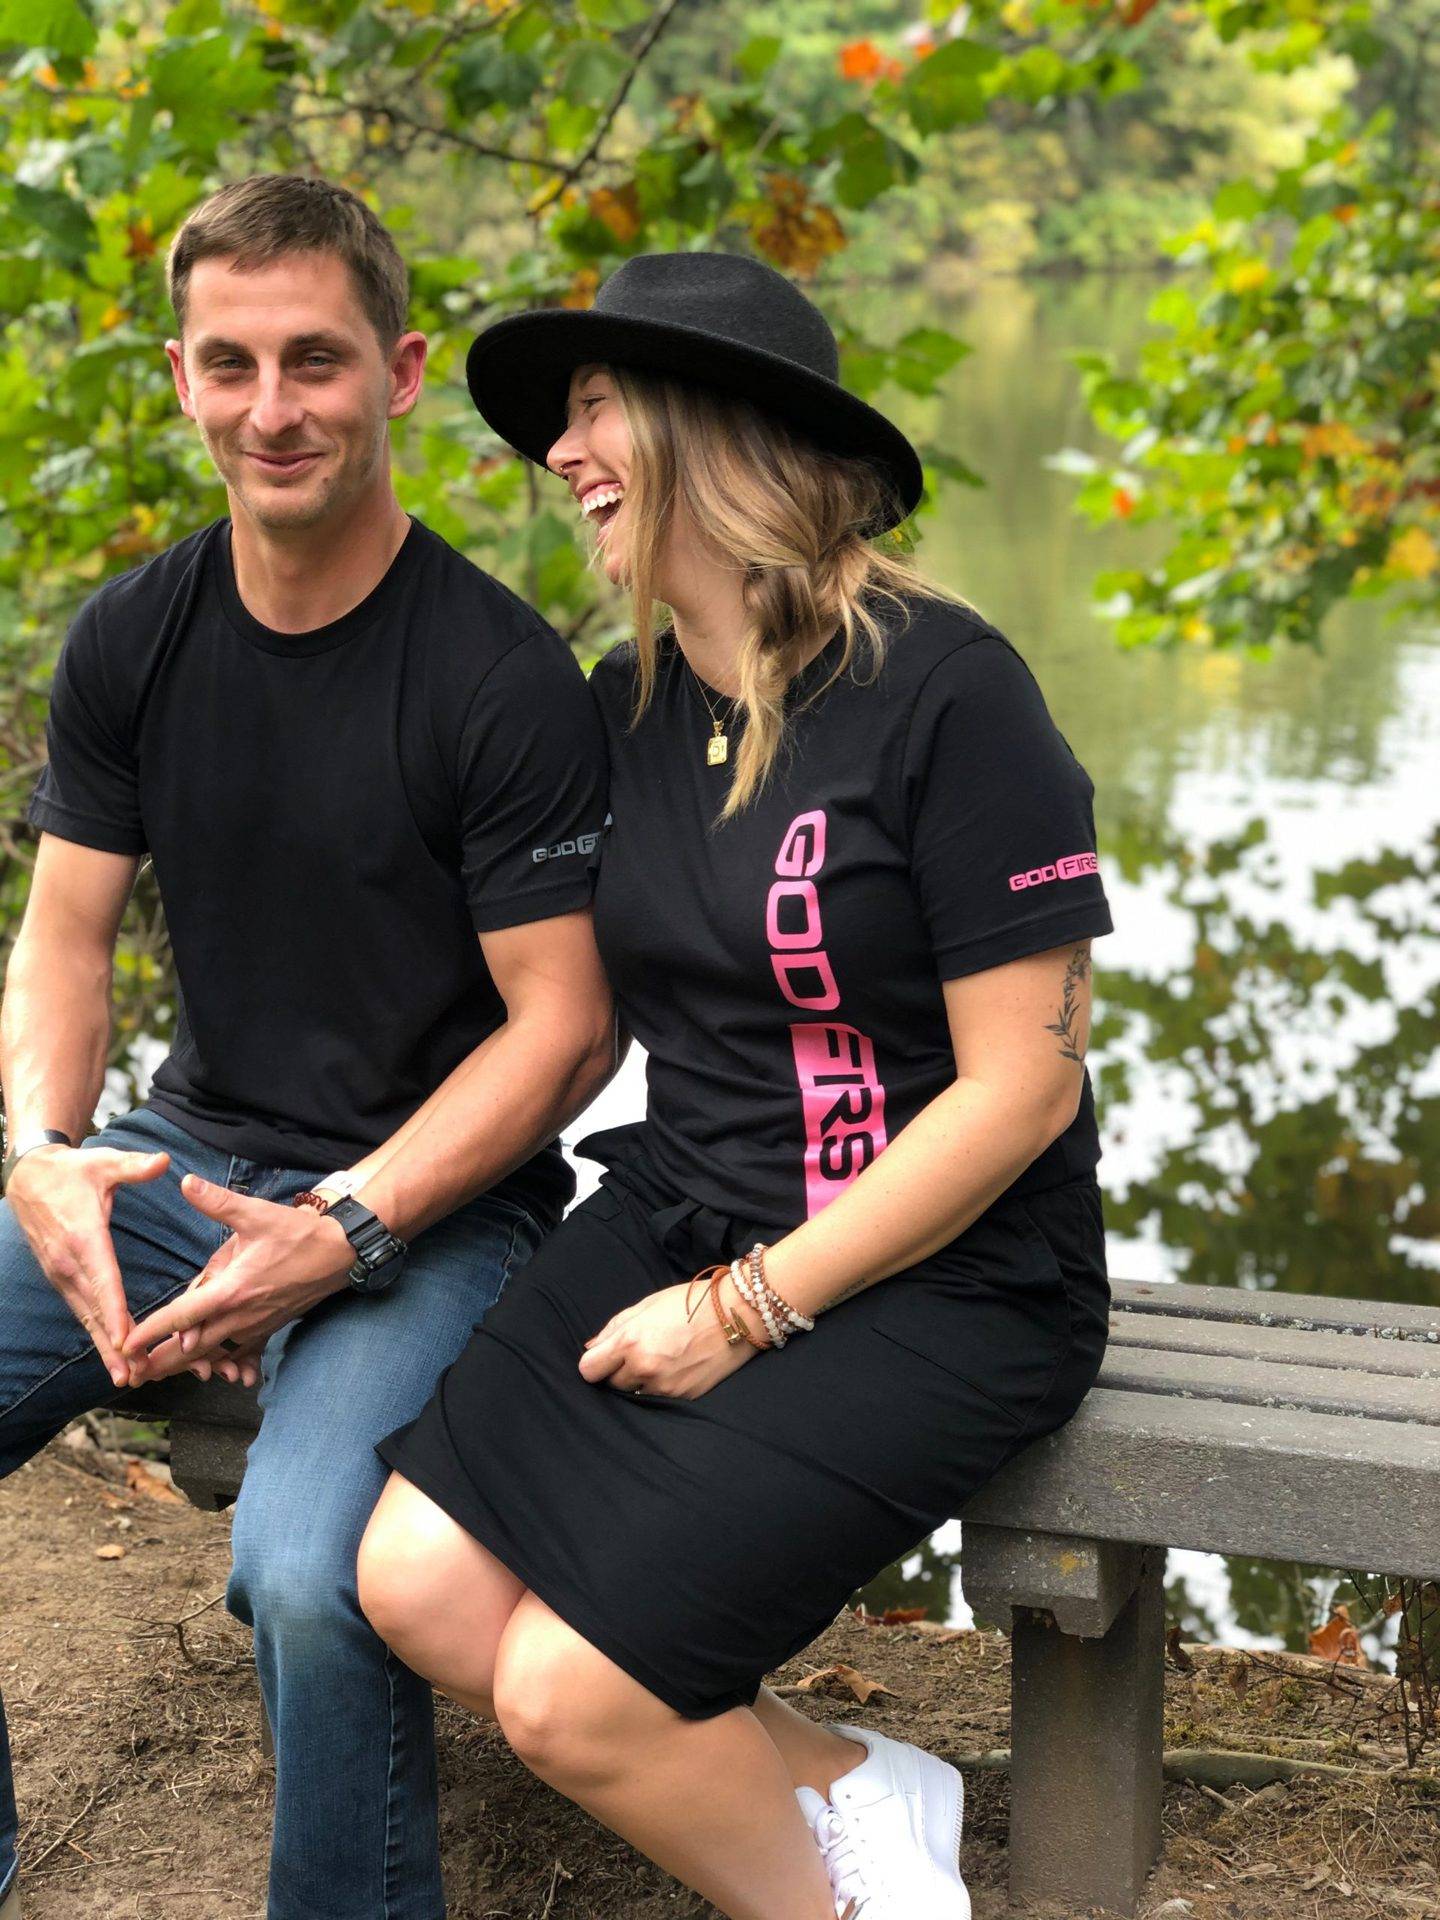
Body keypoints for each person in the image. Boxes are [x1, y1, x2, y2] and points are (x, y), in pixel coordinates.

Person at [356, 252, 1115, 1920]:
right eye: (564, 420)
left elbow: (1024, 1093)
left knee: (574, 1692)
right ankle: (845, 1778)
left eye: (602, 404)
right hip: (687, 1199)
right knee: (410, 1580)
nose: (563, 453)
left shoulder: (949, 688)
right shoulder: (624, 706)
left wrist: (751, 1309)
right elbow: (557, 1004)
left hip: (947, 1264)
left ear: (724, 431)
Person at [0, 174, 615, 1920]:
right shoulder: (132, 635)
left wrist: (344, 1228)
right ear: (181, 377)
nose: (273, 409)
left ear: (403, 372)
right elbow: (61, 938)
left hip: (435, 1209)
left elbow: (566, 1031)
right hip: (183, 1162)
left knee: (307, 1571)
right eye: (231, 364)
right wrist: (40, 1153)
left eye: (317, 362)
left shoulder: (500, 679)